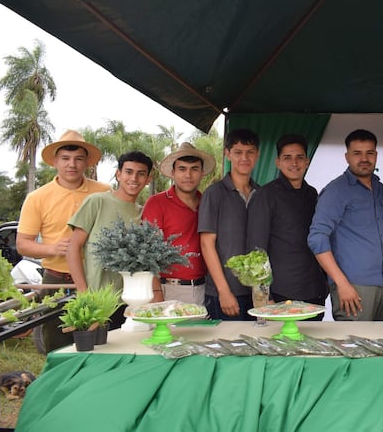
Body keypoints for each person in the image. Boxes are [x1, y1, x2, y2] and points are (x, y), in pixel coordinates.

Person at [16, 130, 111, 352]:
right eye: (66, 158)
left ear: (87, 162)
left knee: (101, 344)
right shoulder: (37, 198)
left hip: (96, 280)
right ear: (55, 161)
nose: (72, 165)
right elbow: (23, 244)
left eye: (78, 159)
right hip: (56, 281)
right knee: (57, 345)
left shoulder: (104, 192)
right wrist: (53, 248)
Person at [308, 129, 383, 321]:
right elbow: (317, 238)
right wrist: (341, 283)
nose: (364, 159)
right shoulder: (336, 191)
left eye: (369, 153)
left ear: (376, 155)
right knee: (355, 341)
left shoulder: (380, 189)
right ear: (347, 157)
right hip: (352, 288)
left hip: (382, 285)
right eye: (357, 153)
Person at [66, 151, 153, 326]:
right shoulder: (97, 201)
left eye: (141, 173)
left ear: (148, 179)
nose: (134, 178)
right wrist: (84, 293)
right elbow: (73, 248)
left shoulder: (143, 212)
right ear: (118, 174)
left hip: (131, 304)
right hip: (97, 301)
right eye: (128, 172)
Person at [246, 134, 327, 317]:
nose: (294, 163)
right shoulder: (265, 195)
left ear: (307, 162)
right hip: (281, 293)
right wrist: (265, 296)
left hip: (314, 291)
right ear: (278, 162)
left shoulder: (312, 194)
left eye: (299, 157)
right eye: (287, 158)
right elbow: (256, 250)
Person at [141, 142, 215, 305]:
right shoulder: (157, 203)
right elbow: (147, 252)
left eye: (194, 169)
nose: (188, 175)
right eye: (182, 169)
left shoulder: (207, 202)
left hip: (206, 290)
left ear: (202, 172)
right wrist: (156, 292)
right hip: (169, 289)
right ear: (173, 172)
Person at [198, 128, 261, 320]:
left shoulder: (262, 194)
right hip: (225, 294)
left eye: (250, 152)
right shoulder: (214, 193)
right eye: (238, 152)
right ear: (227, 154)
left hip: (256, 294)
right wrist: (224, 291)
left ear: (257, 155)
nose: (244, 158)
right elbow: (206, 244)